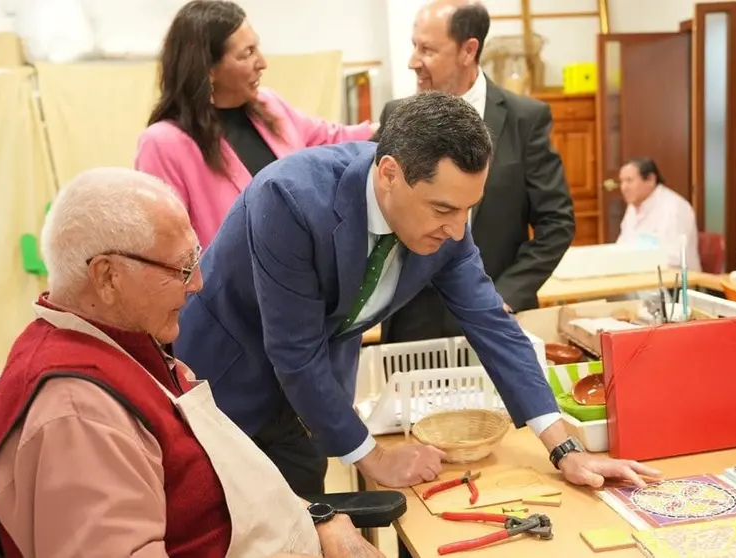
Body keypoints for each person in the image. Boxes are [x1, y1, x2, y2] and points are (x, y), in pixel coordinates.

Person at [173, 91, 659, 498]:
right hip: (222, 382)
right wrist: (376, 458)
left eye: (468, 209)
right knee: (227, 525)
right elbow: (293, 350)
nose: (456, 229)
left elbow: (492, 324)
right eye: (444, 208)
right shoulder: (289, 197)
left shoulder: (448, 221)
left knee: (302, 519)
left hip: (312, 398)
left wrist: (565, 449)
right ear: (388, 174)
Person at [0, 168, 382, 558]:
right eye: (181, 269)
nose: (197, 284)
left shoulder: (127, 351)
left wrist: (318, 519)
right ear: (107, 276)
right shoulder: (77, 415)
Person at [376, 0, 574, 343]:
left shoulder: (524, 119)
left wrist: (505, 294)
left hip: (495, 319)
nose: (413, 62)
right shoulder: (397, 115)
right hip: (411, 320)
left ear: (469, 50)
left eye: (427, 50)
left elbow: (557, 223)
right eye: (414, 46)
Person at [135, 0, 377, 249]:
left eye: (257, 48)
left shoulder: (270, 105)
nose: (262, 62)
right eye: (247, 53)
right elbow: (166, 244)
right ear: (208, 69)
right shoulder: (163, 144)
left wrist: (393, 123)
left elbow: (333, 139)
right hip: (228, 287)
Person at [616, 157, 701, 271]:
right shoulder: (633, 206)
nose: (623, 188)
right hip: (638, 276)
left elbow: (675, 259)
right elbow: (622, 246)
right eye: (621, 182)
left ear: (651, 180)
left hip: (672, 282)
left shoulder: (674, 208)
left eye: (629, 181)